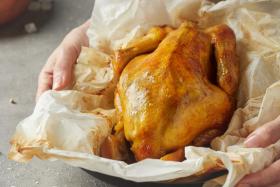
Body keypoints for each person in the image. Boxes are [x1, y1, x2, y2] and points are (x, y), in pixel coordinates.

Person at [36, 21, 280, 187]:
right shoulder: (215, 35)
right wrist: (95, 27)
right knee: (225, 93)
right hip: (156, 82)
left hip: (144, 80)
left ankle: (123, 130)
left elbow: (121, 57)